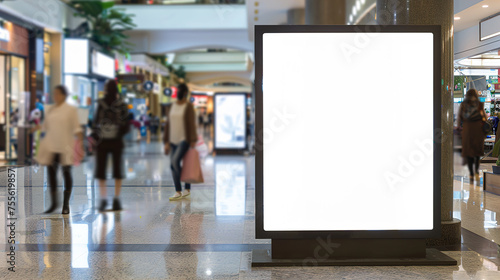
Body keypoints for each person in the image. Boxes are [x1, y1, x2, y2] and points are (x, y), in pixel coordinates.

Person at [37, 85, 83, 214]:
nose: (55, 96)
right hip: (51, 146)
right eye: (54, 94)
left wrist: (81, 145)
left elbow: (77, 128)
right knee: (51, 174)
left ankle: (65, 204)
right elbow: (45, 126)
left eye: (58, 94)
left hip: (65, 146)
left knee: (66, 173)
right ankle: (53, 203)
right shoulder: (51, 109)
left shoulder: (70, 110)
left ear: (64, 95)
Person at [92, 80, 130, 211]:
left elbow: (95, 122)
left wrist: (97, 135)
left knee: (101, 169)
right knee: (117, 170)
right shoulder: (122, 105)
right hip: (117, 142)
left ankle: (103, 199)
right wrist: (119, 133)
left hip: (102, 142)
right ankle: (116, 199)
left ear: (106, 89)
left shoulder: (101, 104)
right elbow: (127, 125)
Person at [163, 84, 197, 201]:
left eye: (181, 91)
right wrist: (166, 141)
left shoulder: (188, 106)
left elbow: (191, 123)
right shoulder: (172, 105)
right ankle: (179, 191)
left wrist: (192, 139)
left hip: (184, 139)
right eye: (178, 90)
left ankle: (186, 186)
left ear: (185, 93)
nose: (179, 92)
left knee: (175, 161)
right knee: (173, 165)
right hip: (172, 139)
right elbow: (168, 124)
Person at [458, 89, 486, 185]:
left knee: (469, 152)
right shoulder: (480, 104)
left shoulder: (463, 104)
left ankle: (471, 173)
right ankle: (476, 172)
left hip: (467, 130)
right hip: (478, 129)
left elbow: (459, 117)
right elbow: (484, 117)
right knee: (477, 152)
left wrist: (459, 127)